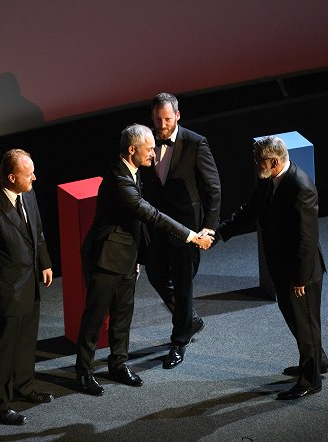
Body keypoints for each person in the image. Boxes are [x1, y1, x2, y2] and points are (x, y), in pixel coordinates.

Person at [76, 124, 213, 396]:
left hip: (126, 257)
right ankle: (83, 372)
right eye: (149, 149)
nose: (154, 153)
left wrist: (137, 258)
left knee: (123, 315)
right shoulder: (119, 180)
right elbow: (150, 215)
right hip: (105, 259)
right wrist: (191, 236)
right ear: (132, 150)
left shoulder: (134, 172)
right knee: (95, 316)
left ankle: (118, 364)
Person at [215, 135, 328, 400]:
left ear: (274, 161)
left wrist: (300, 279)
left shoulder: (301, 187)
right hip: (281, 266)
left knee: (305, 324)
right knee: (296, 319)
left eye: (259, 160)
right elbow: (251, 208)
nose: (256, 164)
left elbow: (307, 239)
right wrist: (220, 233)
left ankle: (311, 380)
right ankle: (317, 362)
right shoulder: (270, 180)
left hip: (301, 272)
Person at [0, 148, 54, 425]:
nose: (34, 177)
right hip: (7, 291)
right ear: (11, 177)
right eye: (28, 173)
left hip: (30, 284)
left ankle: (24, 387)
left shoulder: (28, 194)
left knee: (27, 341)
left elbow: (38, 232)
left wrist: (45, 262)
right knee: (5, 349)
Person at [139, 93, 221, 369]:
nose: (162, 124)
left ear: (177, 116)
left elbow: (213, 188)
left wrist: (209, 228)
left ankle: (179, 340)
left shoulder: (196, 143)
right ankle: (190, 320)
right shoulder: (146, 140)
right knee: (156, 274)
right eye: (157, 119)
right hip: (157, 224)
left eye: (167, 118)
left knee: (184, 283)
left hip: (189, 227)